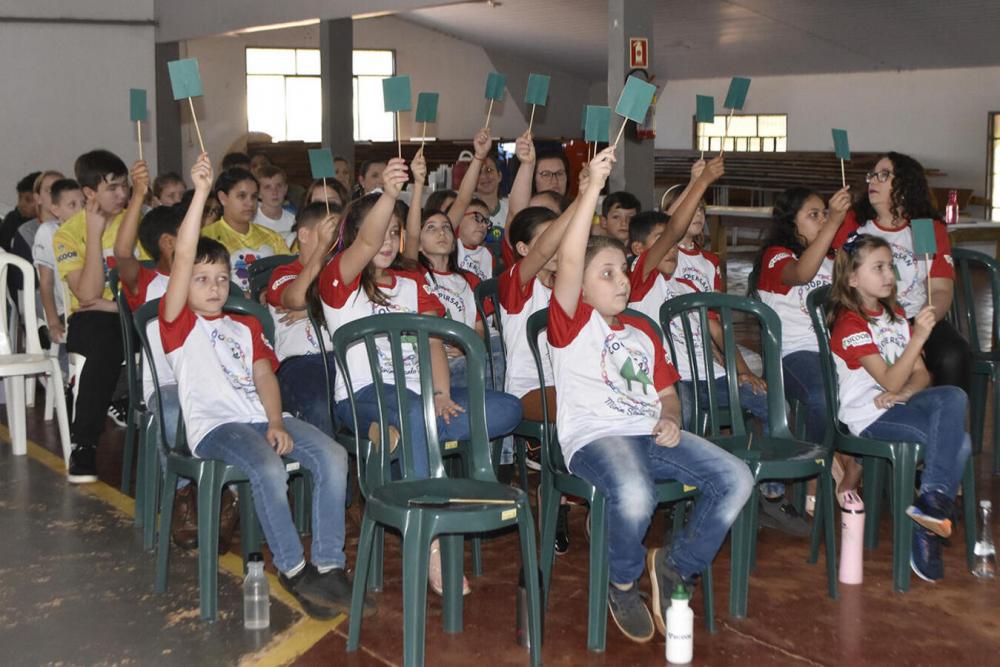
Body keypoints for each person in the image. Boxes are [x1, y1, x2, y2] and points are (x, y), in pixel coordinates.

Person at [549, 145, 753, 642]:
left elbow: (667, 392)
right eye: (608, 274)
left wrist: (671, 416)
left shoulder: (643, 331)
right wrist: (591, 190)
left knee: (736, 478)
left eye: (623, 271)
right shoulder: (571, 324)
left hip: (649, 433)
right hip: (598, 438)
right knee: (636, 493)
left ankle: (674, 565)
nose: (621, 281)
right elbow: (573, 257)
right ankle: (622, 581)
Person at [159, 152, 368, 619]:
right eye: (201, 279)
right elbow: (186, 254)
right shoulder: (178, 323)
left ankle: (329, 566)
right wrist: (198, 194)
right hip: (218, 427)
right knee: (270, 469)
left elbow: (263, 374)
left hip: (261, 417)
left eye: (220, 279)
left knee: (333, 455)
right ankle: (294, 570)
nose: (214, 287)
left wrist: (276, 421)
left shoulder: (244, 324)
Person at [317, 159, 522, 595]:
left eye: (395, 232)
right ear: (355, 237)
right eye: (380, 232)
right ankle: (433, 540)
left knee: (506, 408)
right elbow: (368, 240)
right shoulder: (339, 283)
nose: (388, 241)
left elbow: (433, 342)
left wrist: (442, 393)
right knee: (414, 412)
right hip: (365, 395)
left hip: (420, 398)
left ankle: (395, 437)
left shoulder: (413, 283)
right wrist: (390, 194)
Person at [828, 233, 971, 582]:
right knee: (961, 444)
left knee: (954, 395)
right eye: (878, 267)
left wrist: (906, 393)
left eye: (890, 266)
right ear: (852, 278)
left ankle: (931, 506)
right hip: (869, 416)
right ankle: (929, 523)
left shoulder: (895, 316)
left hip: (897, 405)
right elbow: (888, 380)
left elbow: (921, 375)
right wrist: (918, 340)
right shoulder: (850, 324)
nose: (889, 274)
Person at [833, 151, 971, 392]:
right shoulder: (855, 222)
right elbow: (838, 272)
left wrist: (923, 324)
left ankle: (947, 418)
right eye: (872, 175)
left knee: (954, 354)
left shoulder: (925, 227)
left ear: (906, 185)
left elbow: (940, 290)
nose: (874, 181)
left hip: (916, 315)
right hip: (867, 318)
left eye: (884, 175)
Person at [754, 185, 853, 503]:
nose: (823, 219)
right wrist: (834, 224)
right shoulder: (777, 256)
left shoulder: (831, 260)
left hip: (832, 351)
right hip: (793, 354)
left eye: (825, 212)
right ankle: (812, 473)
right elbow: (801, 273)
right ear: (790, 223)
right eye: (814, 215)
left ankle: (849, 459)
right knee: (823, 394)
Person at [54, 150, 130, 483]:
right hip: (91, 321)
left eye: (125, 186)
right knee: (102, 331)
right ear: (89, 194)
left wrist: (116, 306)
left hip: (129, 312)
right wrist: (95, 236)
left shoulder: (135, 222)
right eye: (113, 188)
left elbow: (150, 285)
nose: (122, 195)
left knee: (115, 323)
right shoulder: (68, 234)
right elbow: (86, 296)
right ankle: (83, 444)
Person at [266, 202, 341, 435]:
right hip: (301, 364)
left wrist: (313, 308)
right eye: (329, 231)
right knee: (320, 406)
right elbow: (297, 299)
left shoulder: (340, 272)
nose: (335, 239)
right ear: (304, 235)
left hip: (343, 358)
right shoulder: (284, 273)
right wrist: (320, 251)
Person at [201, 167, 290, 294]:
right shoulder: (206, 238)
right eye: (242, 196)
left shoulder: (272, 237)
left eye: (254, 197)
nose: (250, 203)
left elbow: (288, 275)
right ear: (223, 198)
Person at [35, 178, 83, 345]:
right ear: (56, 210)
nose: (80, 210)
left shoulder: (93, 229)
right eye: (72, 205)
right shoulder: (48, 232)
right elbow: (46, 283)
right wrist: (53, 323)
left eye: (83, 204)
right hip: (64, 311)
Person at [254, 165, 296, 244]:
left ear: (285, 189)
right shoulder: (252, 221)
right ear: (258, 193)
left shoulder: (293, 220)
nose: (274, 192)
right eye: (267, 187)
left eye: (279, 186)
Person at [0, 171, 41, 251]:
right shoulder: (12, 219)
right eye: (19, 198)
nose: (21, 204)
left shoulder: (48, 227)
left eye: (29, 200)